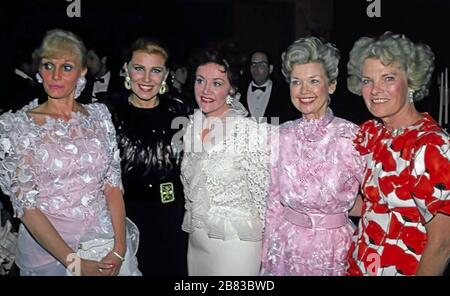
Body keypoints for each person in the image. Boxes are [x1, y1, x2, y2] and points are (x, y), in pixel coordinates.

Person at [0, 29, 141, 276]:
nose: (55, 75)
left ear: (82, 70)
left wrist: (119, 248)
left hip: (106, 242)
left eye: (66, 67)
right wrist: (75, 264)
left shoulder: (100, 116)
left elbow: (112, 186)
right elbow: (27, 208)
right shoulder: (17, 127)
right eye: (48, 65)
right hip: (49, 256)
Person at [346, 32, 450, 276]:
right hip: (361, 265)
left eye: (388, 78)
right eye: (367, 80)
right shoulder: (374, 135)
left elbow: (443, 245)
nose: (375, 90)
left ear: (411, 82)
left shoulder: (432, 147)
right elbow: (374, 206)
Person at [260, 37, 365, 276]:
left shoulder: (352, 137)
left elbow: (377, 199)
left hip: (334, 251)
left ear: (331, 85)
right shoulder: (279, 135)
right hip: (284, 249)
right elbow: (273, 202)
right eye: (296, 82)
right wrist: (266, 252)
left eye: (313, 81)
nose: (304, 91)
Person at [181, 45, 270, 276]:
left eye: (217, 83)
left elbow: (263, 197)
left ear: (232, 89)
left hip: (236, 244)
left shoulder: (249, 131)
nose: (206, 90)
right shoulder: (191, 125)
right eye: (200, 80)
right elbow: (190, 188)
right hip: (197, 242)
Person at [106, 38, 188, 276]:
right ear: (126, 69)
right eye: (139, 68)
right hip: (125, 218)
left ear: (166, 75)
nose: (146, 78)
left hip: (171, 217)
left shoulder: (180, 110)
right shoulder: (108, 113)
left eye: (156, 71)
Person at [240, 50, 297, 124]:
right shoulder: (239, 92)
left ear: (270, 69)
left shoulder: (284, 93)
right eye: (253, 64)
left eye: (261, 64)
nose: (256, 68)